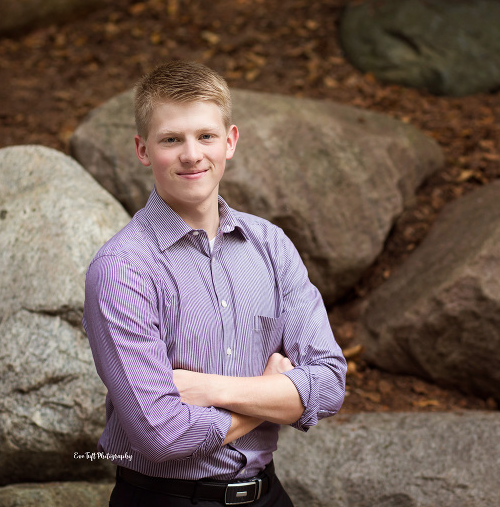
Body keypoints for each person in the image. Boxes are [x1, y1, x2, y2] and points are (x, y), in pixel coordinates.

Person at [83, 60, 347, 506]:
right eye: (171, 139)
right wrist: (271, 393)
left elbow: (328, 383)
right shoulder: (122, 268)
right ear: (143, 149)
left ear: (230, 141)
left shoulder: (271, 245)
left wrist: (211, 390)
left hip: (269, 496)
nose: (192, 154)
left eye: (205, 136)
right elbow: (160, 434)